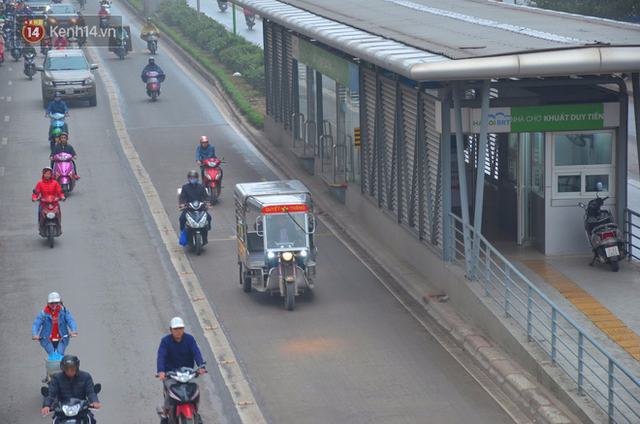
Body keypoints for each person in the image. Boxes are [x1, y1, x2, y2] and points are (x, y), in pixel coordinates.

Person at [157, 317, 205, 424]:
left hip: (188, 373)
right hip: (171, 374)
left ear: (183, 329)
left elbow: (196, 352)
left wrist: (201, 366)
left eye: (180, 328)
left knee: (195, 389)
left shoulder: (190, 339)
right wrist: (161, 371)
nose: (178, 331)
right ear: (171, 329)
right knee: (170, 393)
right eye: (175, 329)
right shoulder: (165, 341)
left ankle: (196, 412)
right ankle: (165, 415)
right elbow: (161, 356)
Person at [42, 355, 100, 420]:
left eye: (72, 368)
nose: (69, 371)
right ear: (62, 368)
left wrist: (94, 401)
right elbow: (51, 392)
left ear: (77, 367)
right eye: (66, 368)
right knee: (55, 420)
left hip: (81, 409)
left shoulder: (85, 377)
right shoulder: (57, 378)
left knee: (90, 419)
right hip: (62, 410)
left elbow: (91, 391)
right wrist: (46, 405)